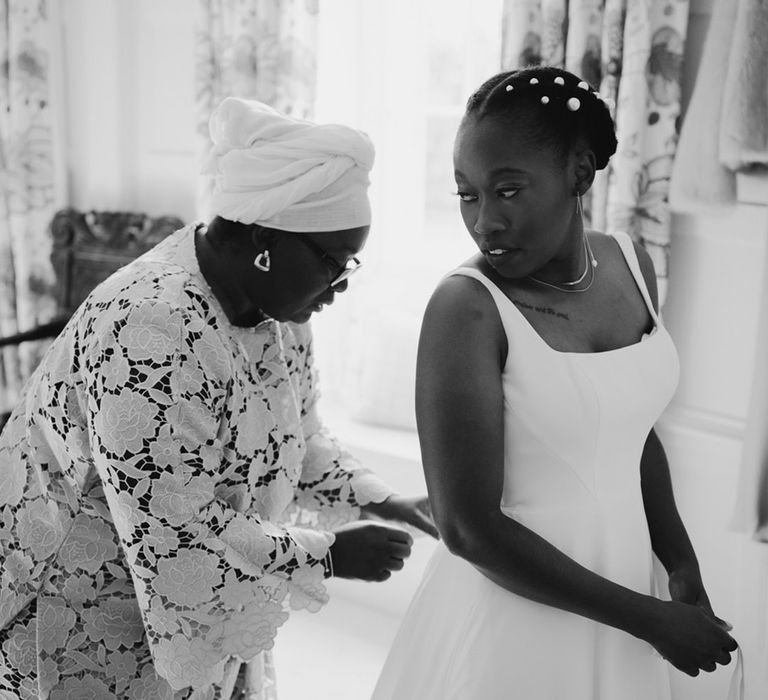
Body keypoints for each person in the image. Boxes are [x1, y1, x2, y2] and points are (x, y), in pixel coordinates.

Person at [0, 97, 436, 700]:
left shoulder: (279, 306)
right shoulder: (149, 329)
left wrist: (386, 499)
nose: (340, 288)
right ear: (264, 238)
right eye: (333, 263)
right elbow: (177, 530)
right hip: (82, 602)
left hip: (185, 589)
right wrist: (326, 554)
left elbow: (298, 435)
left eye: (350, 264)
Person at [371, 66, 738, 700]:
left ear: (579, 172)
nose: (485, 222)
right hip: (518, 606)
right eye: (467, 194)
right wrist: (650, 620)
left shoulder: (630, 262)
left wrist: (680, 566)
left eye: (508, 190)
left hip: (629, 588)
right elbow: (467, 529)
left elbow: (635, 432)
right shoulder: (467, 308)